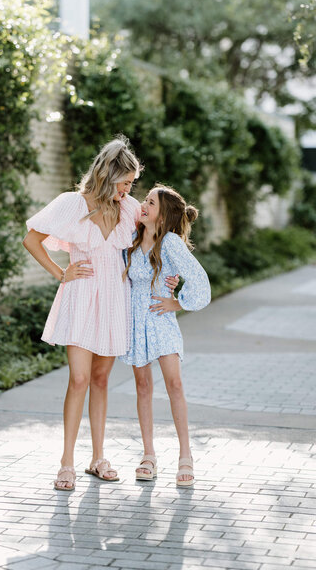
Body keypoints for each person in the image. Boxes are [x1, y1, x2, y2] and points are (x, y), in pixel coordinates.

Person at [22, 137, 177, 491]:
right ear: (109, 174)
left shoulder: (129, 209)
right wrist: (61, 273)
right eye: (125, 182)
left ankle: (97, 458)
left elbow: (151, 243)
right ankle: (66, 463)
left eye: (132, 184)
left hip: (114, 299)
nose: (129, 189)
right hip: (80, 297)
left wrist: (166, 275)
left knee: (101, 380)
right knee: (78, 379)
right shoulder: (70, 204)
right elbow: (31, 239)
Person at [120, 184, 211, 487]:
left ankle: (186, 456)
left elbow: (199, 279)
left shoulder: (170, 243)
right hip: (136, 324)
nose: (143, 206)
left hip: (161, 320)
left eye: (150, 203)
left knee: (174, 384)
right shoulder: (130, 240)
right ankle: (148, 455)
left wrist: (178, 301)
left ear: (163, 215)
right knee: (143, 387)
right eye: (144, 200)